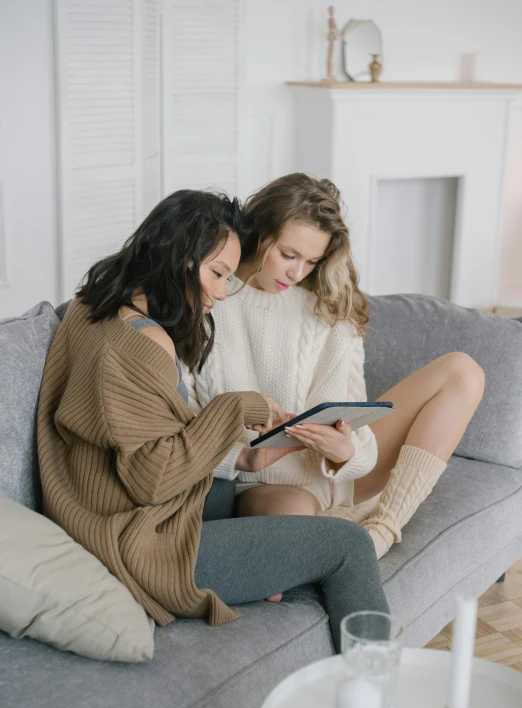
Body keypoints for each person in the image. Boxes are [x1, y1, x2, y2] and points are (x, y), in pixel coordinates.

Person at [37, 189, 389, 652]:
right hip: (145, 543)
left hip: (143, 512)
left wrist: (244, 457)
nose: (222, 292)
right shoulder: (138, 346)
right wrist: (237, 407)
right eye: (218, 273)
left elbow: (148, 446)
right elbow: (153, 478)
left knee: (296, 519)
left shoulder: (92, 307)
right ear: (179, 258)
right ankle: (378, 685)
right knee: (349, 546)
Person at [184, 174, 485, 559]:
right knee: (296, 539)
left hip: (344, 479)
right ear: (257, 233)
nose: (297, 274)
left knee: (463, 371)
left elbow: (357, 430)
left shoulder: (328, 306)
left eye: (312, 261)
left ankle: (381, 529)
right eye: (288, 255)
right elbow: (188, 431)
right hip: (264, 485)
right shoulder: (208, 297)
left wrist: (345, 451)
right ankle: (336, 534)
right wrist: (246, 454)